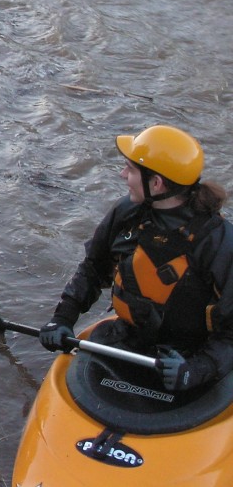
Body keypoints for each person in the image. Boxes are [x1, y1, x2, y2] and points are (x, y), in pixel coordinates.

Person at [39, 125, 233, 392]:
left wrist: (198, 369)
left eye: (130, 169)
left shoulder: (219, 243)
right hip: (129, 339)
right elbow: (93, 269)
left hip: (190, 357)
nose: (122, 175)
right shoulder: (127, 213)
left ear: (156, 183)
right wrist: (63, 317)